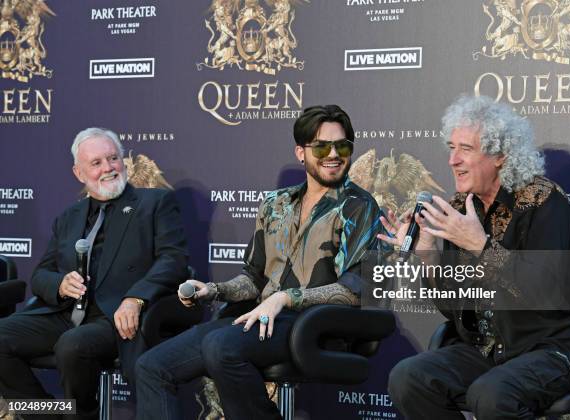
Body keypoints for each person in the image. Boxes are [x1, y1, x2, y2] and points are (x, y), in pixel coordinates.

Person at [135, 105, 383, 420]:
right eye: (322, 146)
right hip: (261, 321)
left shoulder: (359, 206)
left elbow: (356, 290)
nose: (334, 154)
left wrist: (285, 298)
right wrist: (213, 290)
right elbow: (253, 279)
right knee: (151, 367)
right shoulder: (275, 204)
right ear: (301, 152)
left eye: (342, 145)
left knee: (221, 345)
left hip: (318, 326)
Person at [381, 95, 570, 419]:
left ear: (500, 155)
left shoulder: (544, 202)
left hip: (548, 346)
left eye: (466, 149)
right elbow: (453, 308)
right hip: (489, 348)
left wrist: (482, 248)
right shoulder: (462, 208)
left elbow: (545, 294)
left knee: (491, 395)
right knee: (409, 378)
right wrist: (429, 257)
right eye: (451, 147)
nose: (452, 160)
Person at [0, 128, 189, 419]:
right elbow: (41, 274)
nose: (108, 168)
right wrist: (60, 284)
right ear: (79, 173)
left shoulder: (154, 204)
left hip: (115, 314)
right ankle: (50, 415)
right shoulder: (68, 217)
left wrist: (136, 297)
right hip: (66, 312)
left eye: (113, 158)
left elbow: (173, 259)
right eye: (97, 162)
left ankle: (81, 415)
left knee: (72, 346)